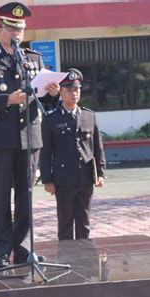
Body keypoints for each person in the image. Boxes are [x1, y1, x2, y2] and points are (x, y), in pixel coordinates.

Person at [0, 2, 60, 268]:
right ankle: (1, 250)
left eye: (20, 29)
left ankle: (22, 248)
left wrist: (53, 93)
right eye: (11, 28)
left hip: (29, 137)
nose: (16, 34)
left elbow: (44, 97)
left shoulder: (33, 59)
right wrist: (5, 99)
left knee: (26, 195)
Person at [40, 68, 106, 240]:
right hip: (63, 180)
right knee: (65, 223)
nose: (73, 93)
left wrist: (100, 173)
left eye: (76, 89)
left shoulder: (89, 116)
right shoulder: (51, 119)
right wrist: (47, 180)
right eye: (69, 90)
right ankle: (66, 260)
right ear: (61, 92)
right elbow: (46, 152)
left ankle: (86, 261)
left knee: (84, 223)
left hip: (85, 178)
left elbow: (97, 148)